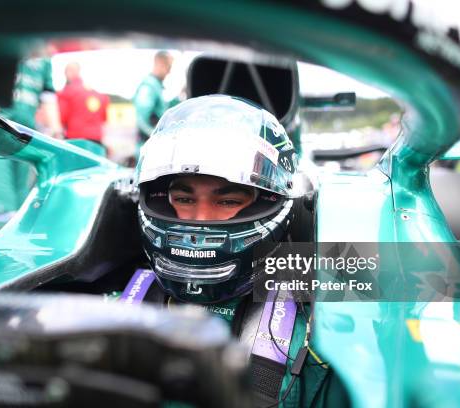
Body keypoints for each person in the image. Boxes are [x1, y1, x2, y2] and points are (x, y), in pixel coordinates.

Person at [115, 95, 348, 407]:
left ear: (272, 202)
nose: (199, 222)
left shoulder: (324, 308)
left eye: (227, 201)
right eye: (183, 199)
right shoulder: (107, 300)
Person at [0, 55, 62, 214]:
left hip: (27, 132)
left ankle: (17, 228)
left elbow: (48, 94)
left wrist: (56, 127)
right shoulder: (6, 36)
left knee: (23, 190)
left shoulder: (44, 57)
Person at [57, 62, 110, 153]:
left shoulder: (67, 92)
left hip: (75, 140)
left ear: (68, 72)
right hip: (96, 141)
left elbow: (62, 118)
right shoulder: (99, 95)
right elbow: (104, 118)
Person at [132, 51, 175, 144]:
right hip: (148, 148)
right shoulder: (149, 87)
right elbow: (142, 120)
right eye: (168, 67)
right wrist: (158, 138)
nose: (169, 72)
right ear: (160, 64)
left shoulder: (156, 86)